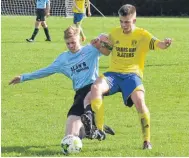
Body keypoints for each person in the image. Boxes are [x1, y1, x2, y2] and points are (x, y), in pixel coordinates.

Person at [81, 4, 172, 150]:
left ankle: (146, 141)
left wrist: (165, 43)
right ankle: (99, 129)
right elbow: (106, 51)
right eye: (121, 22)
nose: (124, 25)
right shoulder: (114, 33)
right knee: (96, 87)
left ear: (134, 20)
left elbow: (159, 44)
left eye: (127, 22)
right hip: (114, 74)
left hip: (132, 75)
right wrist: (99, 45)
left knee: (140, 102)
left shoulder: (142, 35)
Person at [9, 26, 114, 142]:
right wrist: (23, 77)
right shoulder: (63, 59)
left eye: (73, 42)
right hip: (79, 94)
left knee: (74, 132)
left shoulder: (91, 49)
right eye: (68, 43)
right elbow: (45, 71)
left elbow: (110, 46)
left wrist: (101, 41)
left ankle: (94, 126)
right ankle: (95, 128)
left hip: (92, 90)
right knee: (70, 136)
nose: (71, 46)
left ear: (80, 39)